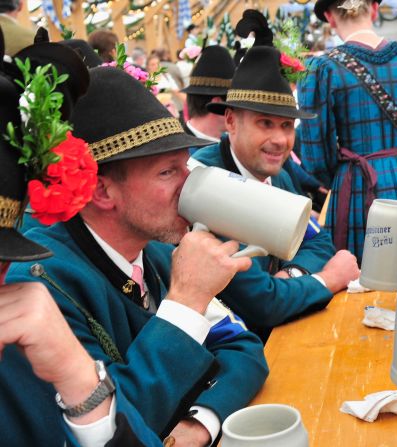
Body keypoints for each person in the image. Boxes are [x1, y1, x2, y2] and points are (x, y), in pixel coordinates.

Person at [7, 67, 269, 446]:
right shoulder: (42, 285)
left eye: (187, 166)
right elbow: (110, 422)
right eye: (167, 172)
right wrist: (186, 301)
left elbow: (242, 348)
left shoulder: (157, 251)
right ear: (101, 192)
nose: (190, 183)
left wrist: (199, 422)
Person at [0, 30, 162, 447]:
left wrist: (78, 381)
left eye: (1, 262)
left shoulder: (19, 349)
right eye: (167, 171)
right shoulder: (49, 276)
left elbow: (238, 344)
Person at [192, 45, 359, 339]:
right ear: (230, 121)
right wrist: (328, 278)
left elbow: (318, 240)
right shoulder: (208, 185)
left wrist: (291, 276)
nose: (280, 140)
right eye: (265, 123)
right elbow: (262, 303)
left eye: (287, 125)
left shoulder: (276, 174)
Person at [298, 0, 397, 261]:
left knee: (359, 274)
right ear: (374, 10)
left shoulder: (322, 69)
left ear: (330, 18)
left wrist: (340, 177)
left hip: (355, 186)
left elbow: (317, 155)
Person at [180, 45, 235, 144]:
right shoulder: (180, 154)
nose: (240, 110)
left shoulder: (234, 145)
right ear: (218, 104)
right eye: (235, 103)